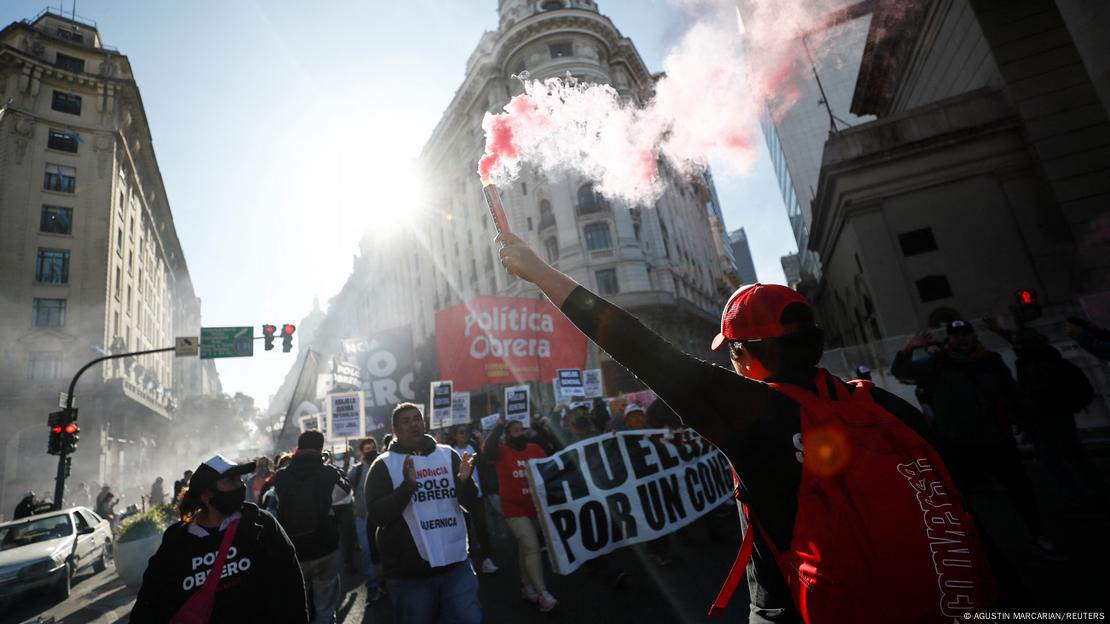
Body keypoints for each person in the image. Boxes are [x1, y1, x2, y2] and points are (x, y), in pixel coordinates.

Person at [497, 232, 1000, 622]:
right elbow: (958, 503)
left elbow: (637, 346)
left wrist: (538, 271)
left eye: (731, 354)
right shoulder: (880, 405)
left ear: (744, 356)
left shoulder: (752, 412)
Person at [891, 320, 1058, 557]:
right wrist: (908, 349)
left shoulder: (990, 361)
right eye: (956, 335)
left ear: (972, 336)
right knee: (961, 497)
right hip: (959, 443)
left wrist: (1024, 419)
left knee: (1020, 489)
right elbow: (903, 372)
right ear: (949, 339)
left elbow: (1011, 392)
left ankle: (1037, 534)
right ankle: (975, 545)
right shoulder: (938, 363)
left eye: (965, 334)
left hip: (997, 437)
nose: (961, 339)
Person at [130, 455, 307, 623]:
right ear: (206, 495)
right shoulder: (177, 542)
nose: (240, 486)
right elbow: (150, 602)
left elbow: (290, 583)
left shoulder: (261, 524)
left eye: (240, 479)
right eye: (231, 481)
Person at [365, 403, 482, 624]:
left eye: (416, 418)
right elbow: (378, 515)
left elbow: (470, 502)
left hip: (456, 564)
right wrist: (406, 488)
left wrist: (465, 483)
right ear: (395, 429)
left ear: (424, 422)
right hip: (410, 575)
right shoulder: (383, 465)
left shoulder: (448, 455)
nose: (413, 424)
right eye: (406, 421)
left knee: (468, 619)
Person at [984, 322, 1106, 501]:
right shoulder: (1046, 357)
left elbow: (1036, 397)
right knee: (1073, 455)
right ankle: (1093, 489)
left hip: (1044, 419)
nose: (1016, 346)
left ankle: (1077, 494)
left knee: (1056, 459)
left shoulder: (1032, 364)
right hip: (1059, 415)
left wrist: (1026, 418)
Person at [274, 431, 352, 624]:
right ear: (320, 448)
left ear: (299, 448)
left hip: (294, 552)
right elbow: (345, 495)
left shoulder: (281, 477)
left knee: (301, 608)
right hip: (325, 549)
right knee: (325, 608)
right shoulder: (329, 473)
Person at [483, 418, 558, 612]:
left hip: (534, 507)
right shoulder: (501, 451)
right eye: (515, 431)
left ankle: (527, 586)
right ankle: (543, 593)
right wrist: (498, 425)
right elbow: (487, 447)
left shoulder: (534, 448)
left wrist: (539, 426)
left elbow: (549, 462)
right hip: (513, 509)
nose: (519, 433)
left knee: (525, 549)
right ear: (507, 435)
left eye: (521, 429)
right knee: (532, 547)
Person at [450, 425, 499, 576]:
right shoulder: (450, 453)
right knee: (466, 531)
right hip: (461, 498)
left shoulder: (473, 447)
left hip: (478, 495)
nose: (465, 434)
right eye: (461, 432)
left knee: (482, 528)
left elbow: (485, 465)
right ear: (455, 436)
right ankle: (469, 562)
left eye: (466, 432)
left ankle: (486, 560)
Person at [349, 438, 386, 603]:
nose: (371, 450)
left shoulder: (385, 465)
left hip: (384, 518)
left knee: (385, 549)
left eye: (373, 447)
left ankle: (386, 582)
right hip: (363, 518)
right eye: (367, 449)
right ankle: (373, 585)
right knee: (367, 553)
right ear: (361, 452)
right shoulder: (356, 471)